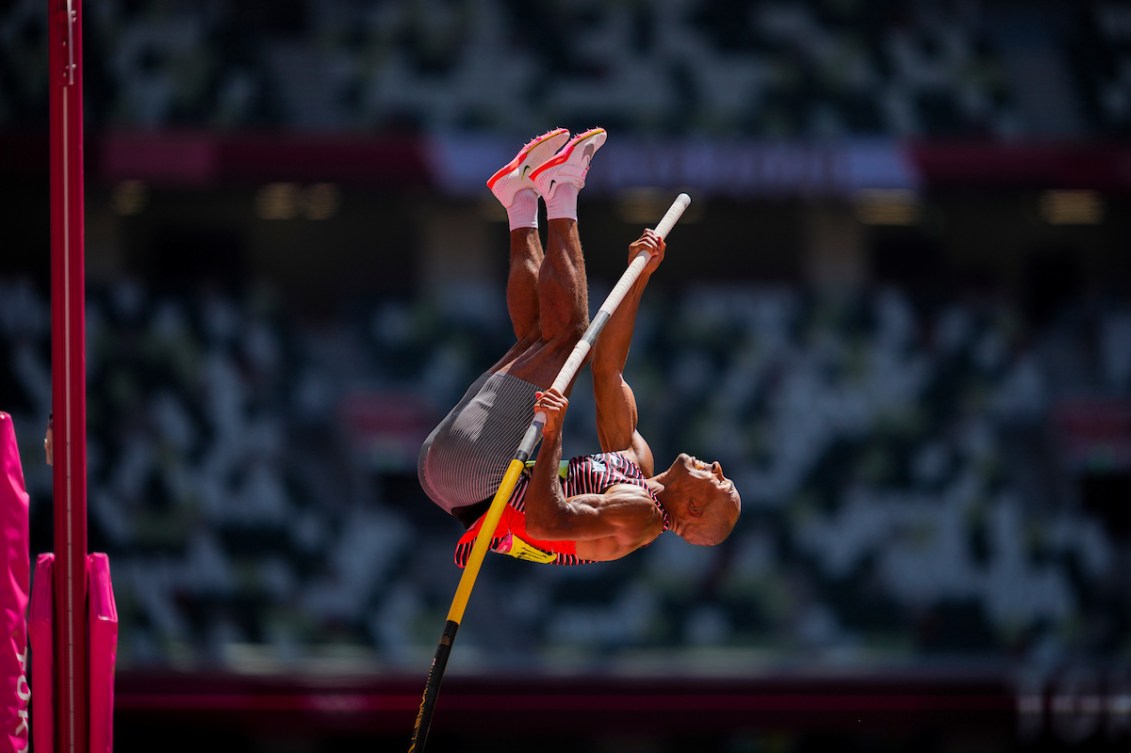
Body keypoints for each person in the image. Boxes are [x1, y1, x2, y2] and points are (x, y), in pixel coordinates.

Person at [417, 127, 741, 567]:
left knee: (568, 338)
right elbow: (609, 368)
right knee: (546, 337)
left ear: (695, 510)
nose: (718, 468)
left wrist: (551, 435)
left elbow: (545, 525)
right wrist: (638, 278)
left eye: (721, 483)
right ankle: (520, 201)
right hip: (460, 477)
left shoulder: (641, 518)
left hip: (480, 482)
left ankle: (562, 187)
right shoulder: (636, 461)